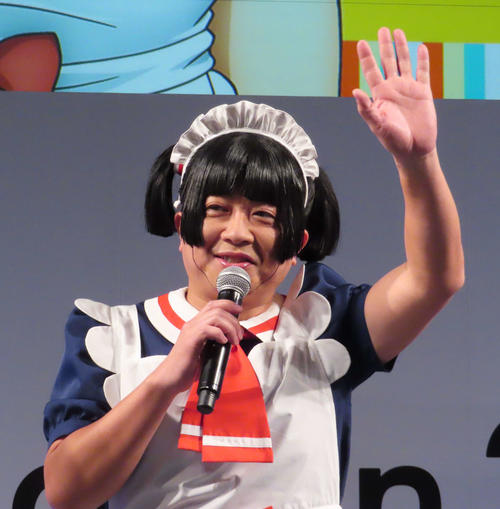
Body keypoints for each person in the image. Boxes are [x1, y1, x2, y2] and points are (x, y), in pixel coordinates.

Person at [43, 28, 464, 509]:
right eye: (217, 209)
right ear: (183, 226)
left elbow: (436, 279)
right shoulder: (114, 333)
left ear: (296, 243)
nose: (238, 232)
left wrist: (418, 160)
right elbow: (66, 493)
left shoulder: (327, 322)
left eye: (263, 215)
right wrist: (165, 380)